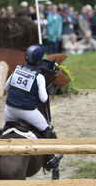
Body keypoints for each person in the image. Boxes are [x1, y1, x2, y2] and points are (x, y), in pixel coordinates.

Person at [4, 45, 62, 175]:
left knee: (5, 129)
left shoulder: (17, 70)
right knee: (47, 129)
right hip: (27, 111)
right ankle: (51, 158)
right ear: (39, 60)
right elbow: (43, 98)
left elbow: (6, 88)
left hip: (9, 110)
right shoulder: (39, 76)